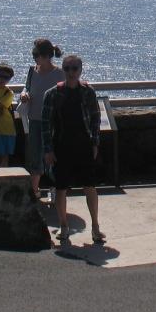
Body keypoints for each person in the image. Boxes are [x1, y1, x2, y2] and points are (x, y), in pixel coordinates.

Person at [40, 54, 104, 244]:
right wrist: (48, 150)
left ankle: (95, 227)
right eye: (67, 68)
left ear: (80, 70)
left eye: (74, 68)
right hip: (61, 146)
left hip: (84, 146)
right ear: (63, 70)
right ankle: (64, 226)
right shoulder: (52, 94)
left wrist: (95, 143)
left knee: (89, 186)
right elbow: (45, 124)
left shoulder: (88, 92)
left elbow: (95, 118)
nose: (71, 72)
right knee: (61, 188)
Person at [20, 38, 64, 200]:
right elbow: (27, 87)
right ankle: (34, 191)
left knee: (52, 155)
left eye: (36, 54)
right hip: (35, 119)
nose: (34, 58)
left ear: (46, 56)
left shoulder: (59, 73)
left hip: (52, 121)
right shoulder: (32, 70)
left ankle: (54, 189)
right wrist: (24, 94)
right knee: (35, 155)